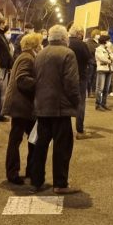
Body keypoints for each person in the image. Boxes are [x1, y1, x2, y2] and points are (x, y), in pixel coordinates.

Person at [29, 25, 81, 194]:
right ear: (64, 38)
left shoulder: (40, 53)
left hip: (42, 105)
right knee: (62, 147)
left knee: (40, 145)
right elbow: (71, 83)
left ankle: (36, 180)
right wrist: (76, 103)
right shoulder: (67, 53)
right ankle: (60, 183)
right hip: (60, 107)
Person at [2, 32, 41, 183]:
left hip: (23, 106)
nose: (41, 46)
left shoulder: (26, 56)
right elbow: (22, 79)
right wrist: (40, 82)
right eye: (39, 43)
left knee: (30, 140)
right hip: (21, 106)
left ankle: (29, 171)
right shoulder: (27, 57)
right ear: (34, 45)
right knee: (18, 140)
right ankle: (13, 173)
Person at [67, 25, 92, 139]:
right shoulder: (82, 44)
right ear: (79, 33)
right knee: (80, 103)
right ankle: (80, 130)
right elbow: (89, 58)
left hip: (66, 77)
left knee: (66, 102)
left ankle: (65, 131)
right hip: (80, 77)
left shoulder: (65, 43)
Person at [0, 17, 14, 123]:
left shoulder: (1, 35)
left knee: (2, 91)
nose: (6, 25)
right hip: (0, 66)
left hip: (4, 66)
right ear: (0, 24)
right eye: (4, 23)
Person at [94, 34, 113, 110]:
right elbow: (102, 58)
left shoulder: (108, 49)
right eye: (108, 40)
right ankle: (98, 104)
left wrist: (109, 54)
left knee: (106, 89)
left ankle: (104, 103)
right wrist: (110, 61)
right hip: (102, 70)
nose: (109, 42)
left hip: (109, 70)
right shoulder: (98, 49)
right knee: (100, 88)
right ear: (105, 41)